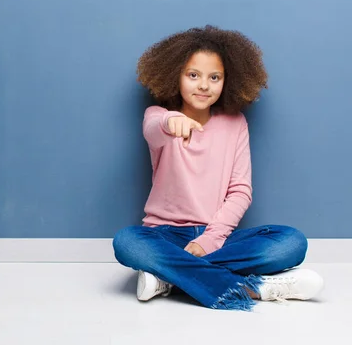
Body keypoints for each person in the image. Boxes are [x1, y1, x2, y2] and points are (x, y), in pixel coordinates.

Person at [112, 25, 324, 311]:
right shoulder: (159, 116)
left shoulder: (235, 124)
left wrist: (210, 240)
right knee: (127, 242)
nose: (203, 85)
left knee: (291, 242)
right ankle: (256, 288)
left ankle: (168, 279)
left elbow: (240, 191)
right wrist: (171, 124)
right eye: (193, 75)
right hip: (164, 235)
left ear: (227, 80)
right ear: (176, 76)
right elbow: (154, 131)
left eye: (214, 77)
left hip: (218, 236)